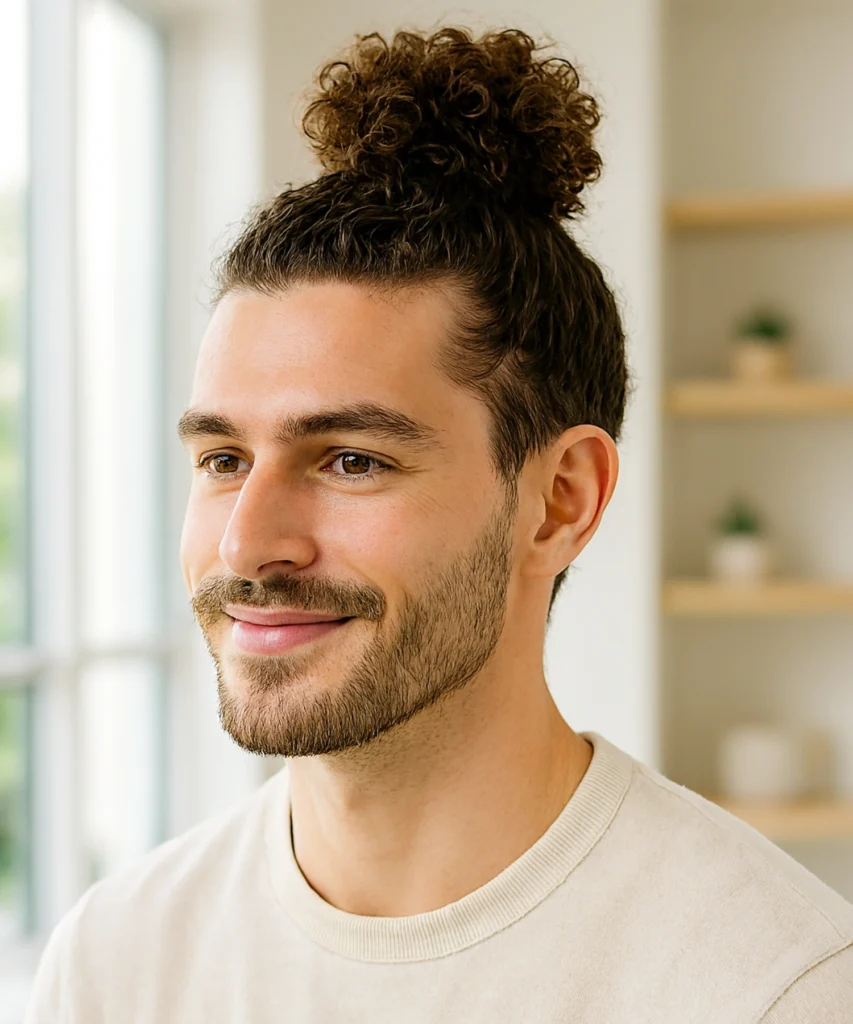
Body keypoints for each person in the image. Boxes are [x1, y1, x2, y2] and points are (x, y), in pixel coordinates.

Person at [26, 26, 853, 1023]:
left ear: (561, 501)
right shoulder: (115, 964)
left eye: (352, 460)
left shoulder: (773, 985)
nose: (246, 544)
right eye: (222, 460)